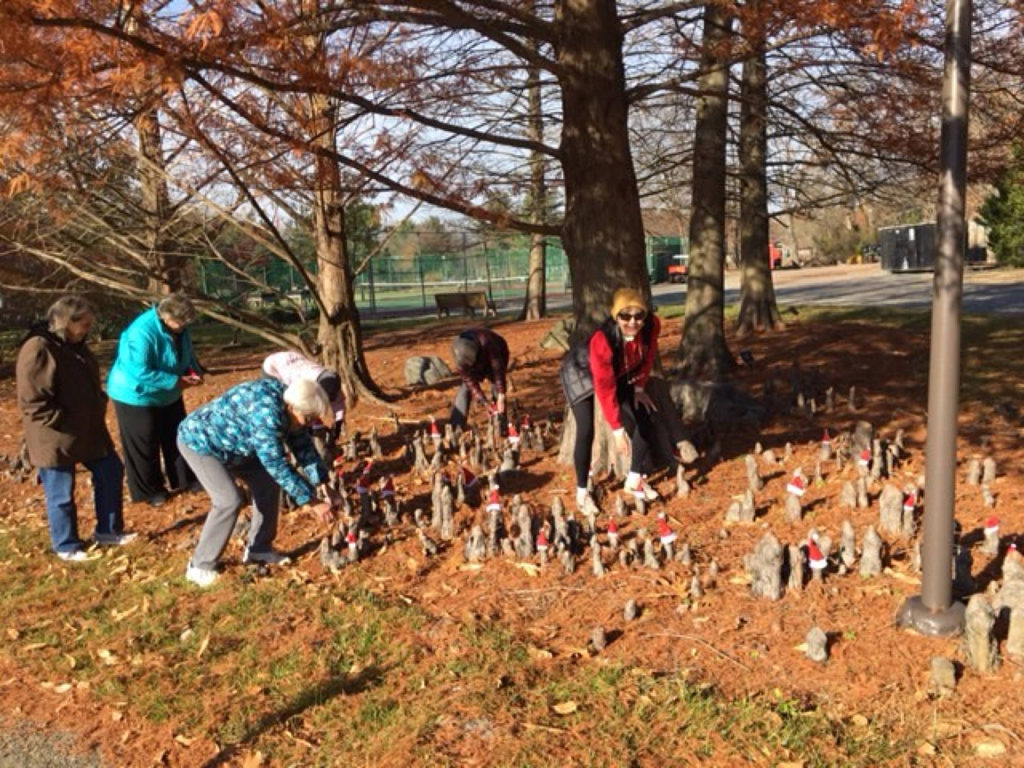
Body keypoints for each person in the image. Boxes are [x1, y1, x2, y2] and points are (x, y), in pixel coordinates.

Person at [176, 377, 335, 587]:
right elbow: (276, 463)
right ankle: (199, 566)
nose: (310, 423)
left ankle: (259, 549)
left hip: (238, 446)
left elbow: (303, 446)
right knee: (228, 500)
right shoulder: (266, 414)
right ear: (291, 407)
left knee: (267, 484)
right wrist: (312, 502)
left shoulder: (292, 406)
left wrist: (323, 482)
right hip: (201, 443)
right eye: (308, 417)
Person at [16, 295, 134, 561]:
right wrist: (62, 421)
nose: (89, 329)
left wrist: (98, 402)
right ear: (67, 322)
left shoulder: (76, 345)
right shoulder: (39, 348)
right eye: (85, 324)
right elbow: (32, 400)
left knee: (110, 471)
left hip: (89, 429)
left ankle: (109, 530)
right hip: (55, 435)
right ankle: (66, 545)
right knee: (60, 491)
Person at [561, 287, 663, 510]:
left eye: (638, 315)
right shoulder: (603, 340)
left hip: (619, 371)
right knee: (586, 429)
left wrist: (638, 388)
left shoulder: (651, 326)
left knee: (647, 416)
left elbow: (648, 357)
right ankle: (581, 492)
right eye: (625, 316)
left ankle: (634, 480)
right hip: (580, 373)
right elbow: (605, 388)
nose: (633, 322)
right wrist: (617, 431)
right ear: (615, 316)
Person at [107, 294, 202, 507]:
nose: (184, 327)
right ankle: (149, 490)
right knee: (144, 440)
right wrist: (175, 381)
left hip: (168, 391)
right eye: (181, 323)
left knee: (177, 434)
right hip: (135, 393)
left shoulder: (181, 329)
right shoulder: (140, 332)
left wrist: (192, 369)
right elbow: (138, 370)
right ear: (167, 317)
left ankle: (185, 479)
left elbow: (186, 351)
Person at [262, 350, 346, 435]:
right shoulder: (302, 382)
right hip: (273, 368)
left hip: (293, 359)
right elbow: (298, 404)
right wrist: (309, 424)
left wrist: (338, 422)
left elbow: (338, 402)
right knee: (283, 411)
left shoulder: (332, 382)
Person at [449, 327, 509, 430]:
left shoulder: (488, 342)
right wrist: (485, 402)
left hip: (498, 355)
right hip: (476, 363)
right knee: (465, 388)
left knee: (496, 385)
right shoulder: (460, 359)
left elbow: (498, 371)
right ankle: (456, 425)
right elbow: (470, 382)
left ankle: (501, 422)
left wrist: (501, 396)